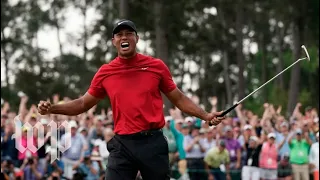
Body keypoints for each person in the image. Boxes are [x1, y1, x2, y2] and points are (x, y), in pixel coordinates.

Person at [37, 19, 226, 180]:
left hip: (152, 142)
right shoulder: (106, 72)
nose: (124, 37)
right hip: (123, 145)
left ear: (137, 38)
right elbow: (82, 103)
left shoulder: (156, 66)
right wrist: (52, 109)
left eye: (129, 33)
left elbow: (179, 98)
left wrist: (206, 115)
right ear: (113, 41)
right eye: (119, 35)